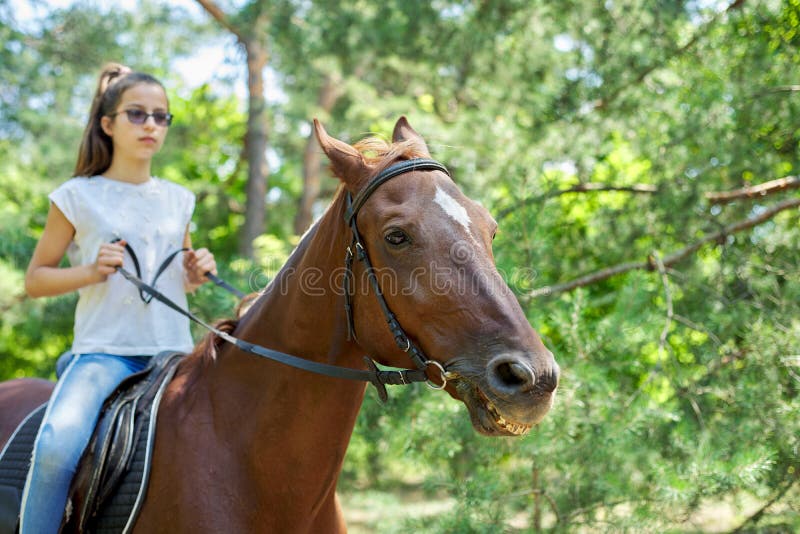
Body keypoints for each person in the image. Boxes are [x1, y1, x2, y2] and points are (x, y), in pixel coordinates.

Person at [19, 63, 217, 533]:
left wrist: (195, 272)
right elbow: (35, 279)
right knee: (56, 445)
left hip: (173, 352)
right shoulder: (75, 196)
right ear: (108, 124)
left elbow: (179, 281)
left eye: (161, 117)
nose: (151, 125)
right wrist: (90, 270)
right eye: (137, 114)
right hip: (104, 354)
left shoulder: (178, 199)